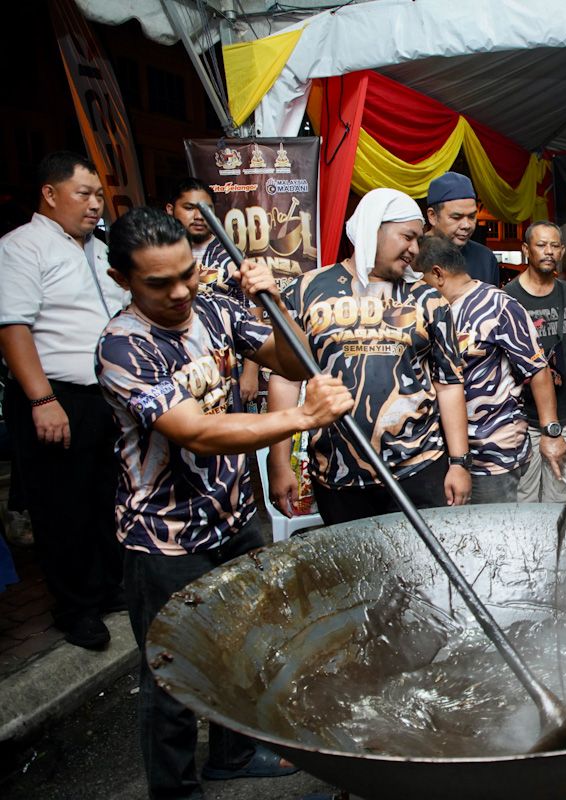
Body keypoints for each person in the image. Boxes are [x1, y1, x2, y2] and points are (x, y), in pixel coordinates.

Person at [95, 206, 354, 800]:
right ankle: (175, 787)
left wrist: (273, 303)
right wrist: (299, 419)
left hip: (237, 515)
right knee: (172, 672)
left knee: (246, 644)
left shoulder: (211, 307)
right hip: (165, 537)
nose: (181, 291)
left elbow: (292, 359)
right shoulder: (122, 347)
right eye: (160, 284)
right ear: (122, 281)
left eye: (187, 273)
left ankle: (233, 757)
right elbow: (195, 431)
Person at [267, 188, 471, 524]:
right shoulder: (306, 291)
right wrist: (278, 464)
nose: (415, 249)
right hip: (337, 473)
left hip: (418, 469)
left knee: (421, 570)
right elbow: (286, 378)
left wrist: (459, 462)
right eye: (407, 237)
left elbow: (449, 384)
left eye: (418, 239)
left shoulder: (428, 299)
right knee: (355, 571)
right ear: (372, 228)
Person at [0, 151, 127, 650]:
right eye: (84, 194)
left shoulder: (102, 248)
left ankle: (106, 589)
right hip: (56, 395)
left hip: (107, 396)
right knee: (62, 506)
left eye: (99, 195)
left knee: (105, 497)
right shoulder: (22, 246)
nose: (96, 204)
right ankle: (75, 608)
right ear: (50, 195)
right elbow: (12, 327)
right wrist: (41, 400)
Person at [421, 235, 566, 503]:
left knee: (495, 536)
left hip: (493, 453)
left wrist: (551, 433)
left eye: (420, 280)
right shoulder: (436, 311)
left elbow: (537, 369)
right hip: (451, 453)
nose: (417, 289)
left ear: (438, 274)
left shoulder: (498, 305)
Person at [504, 221, 566, 502]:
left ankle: (558, 548)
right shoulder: (508, 299)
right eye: (541, 245)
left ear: (563, 250)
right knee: (523, 500)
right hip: (521, 419)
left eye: (555, 245)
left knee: (563, 498)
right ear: (526, 250)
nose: (549, 251)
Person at [165, 177, 260, 408]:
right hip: (173, 363)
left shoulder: (230, 256)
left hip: (226, 364)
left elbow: (253, 310)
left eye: (205, 210)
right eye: (189, 208)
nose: (199, 216)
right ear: (170, 209)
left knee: (233, 434)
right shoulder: (160, 253)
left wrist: (250, 371)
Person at [425, 171, 500, 285]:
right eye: (456, 217)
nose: (467, 225)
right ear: (433, 216)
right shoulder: (411, 256)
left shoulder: (485, 259)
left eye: (472, 216)